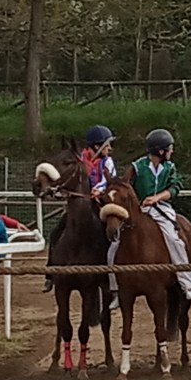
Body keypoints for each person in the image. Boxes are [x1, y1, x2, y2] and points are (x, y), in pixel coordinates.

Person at [107, 128, 191, 309]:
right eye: (169, 148)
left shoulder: (170, 167)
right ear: (160, 150)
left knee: (174, 239)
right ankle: (116, 289)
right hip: (140, 209)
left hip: (162, 208)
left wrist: (157, 197)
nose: (171, 151)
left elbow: (175, 187)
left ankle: (186, 281)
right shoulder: (137, 167)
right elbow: (125, 186)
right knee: (114, 246)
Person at [43, 125, 117, 293]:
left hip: (99, 201)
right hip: (80, 202)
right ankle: (50, 274)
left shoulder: (107, 162)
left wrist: (98, 189)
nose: (110, 149)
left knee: (110, 234)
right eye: (107, 145)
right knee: (56, 232)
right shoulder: (79, 159)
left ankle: (110, 277)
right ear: (97, 146)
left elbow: (108, 180)